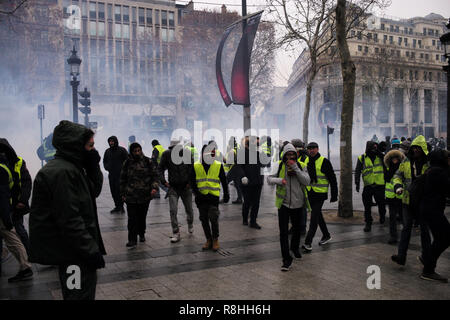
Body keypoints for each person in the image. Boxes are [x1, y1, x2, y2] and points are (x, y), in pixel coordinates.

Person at [29, 120, 105, 300]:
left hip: (76, 251)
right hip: (74, 254)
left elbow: (94, 190)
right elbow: (69, 220)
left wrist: (93, 166)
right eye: (90, 146)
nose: (93, 150)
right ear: (76, 146)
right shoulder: (61, 173)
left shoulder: (73, 168)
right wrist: (91, 251)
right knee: (77, 295)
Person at [268, 143, 310, 271]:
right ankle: (286, 259)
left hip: (298, 204)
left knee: (297, 230)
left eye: (292, 154)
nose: (290, 156)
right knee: (283, 233)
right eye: (288, 154)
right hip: (284, 204)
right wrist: (280, 181)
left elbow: (307, 181)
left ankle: (294, 248)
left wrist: (296, 169)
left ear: (296, 155)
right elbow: (269, 179)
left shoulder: (301, 166)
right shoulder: (279, 165)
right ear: (284, 155)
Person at [391, 135, 431, 266]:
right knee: (406, 229)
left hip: (423, 202)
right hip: (408, 201)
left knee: (424, 230)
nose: (415, 151)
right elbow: (397, 175)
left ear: (423, 149)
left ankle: (426, 257)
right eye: (414, 148)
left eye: (418, 148)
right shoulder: (406, 161)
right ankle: (401, 256)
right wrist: (397, 186)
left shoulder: (428, 163)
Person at [0, 147, 33, 283]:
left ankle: (27, 261)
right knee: (11, 236)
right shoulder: (4, 165)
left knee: (16, 233)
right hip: (8, 205)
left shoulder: (15, 163)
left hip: (13, 206)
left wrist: (23, 200)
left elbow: (26, 182)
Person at [191, 143, 229, 251]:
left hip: (213, 197)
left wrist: (226, 194)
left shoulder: (217, 164)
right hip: (201, 198)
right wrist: (197, 194)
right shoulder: (196, 165)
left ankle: (215, 239)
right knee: (203, 219)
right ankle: (208, 239)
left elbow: (224, 181)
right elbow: (192, 182)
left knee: (213, 218)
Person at [418, 149, 450, 283]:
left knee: (440, 238)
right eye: (448, 158)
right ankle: (428, 269)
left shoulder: (432, 170)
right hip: (432, 210)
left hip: (429, 209)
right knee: (446, 237)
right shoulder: (439, 172)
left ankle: (427, 259)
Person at [120, 142, 159, 248]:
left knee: (142, 217)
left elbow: (155, 176)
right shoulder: (127, 163)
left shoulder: (147, 161)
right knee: (132, 218)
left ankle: (141, 233)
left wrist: (154, 188)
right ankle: (132, 239)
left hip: (145, 195)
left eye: (139, 150)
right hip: (131, 196)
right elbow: (122, 179)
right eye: (135, 151)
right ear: (131, 152)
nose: (137, 153)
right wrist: (122, 193)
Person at [301, 142, 337, 252]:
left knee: (313, 218)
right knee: (317, 215)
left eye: (313, 148)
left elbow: (332, 179)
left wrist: (334, 195)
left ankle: (308, 242)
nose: (311, 150)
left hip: (320, 194)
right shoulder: (305, 161)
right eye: (309, 149)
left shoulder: (324, 161)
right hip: (310, 193)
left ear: (318, 149)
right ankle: (326, 235)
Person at [159, 139, 195, 243]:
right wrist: (163, 181)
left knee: (189, 210)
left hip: (186, 187)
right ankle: (176, 232)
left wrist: (190, 182)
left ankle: (190, 223)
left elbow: (192, 168)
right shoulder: (166, 155)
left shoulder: (186, 153)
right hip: (173, 187)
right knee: (173, 210)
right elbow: (160, 168)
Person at [235, 136, 266, 229]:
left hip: (257, 182)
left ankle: (253, 221)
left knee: (256, 203)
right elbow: (238, 166)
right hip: (247, 183)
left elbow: (264, 164)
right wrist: (243, 176)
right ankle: (245, 219)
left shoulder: (258, 153)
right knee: (247, 202)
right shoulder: (242, 153)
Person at [355, 141, 386, 232]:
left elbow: (386, 165)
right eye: (372, 148)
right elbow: (357, 171)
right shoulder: (362, 158)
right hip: (368, 185)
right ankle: (368, 223)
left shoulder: (380, 157)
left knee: (381, 204)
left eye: (375, 148)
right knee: (367, 206)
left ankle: (382, 216)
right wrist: (357, 182)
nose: (374, 150)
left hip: (379, 185)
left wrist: (380, 154)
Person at [383, 149, 405, 244]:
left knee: (403, 216)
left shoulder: (403, 168)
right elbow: (386, 179)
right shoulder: (388, 169)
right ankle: (393, 236)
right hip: (391, 196)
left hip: (401, 196)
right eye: (393, 158)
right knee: (392, 217)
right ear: (390, 159)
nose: (395, 160)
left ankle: (405, 235)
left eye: (396, 158)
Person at [103, 136, 128, 214]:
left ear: (116, 141)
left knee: (120, 191)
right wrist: (107, 167)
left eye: (112, 141)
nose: (111, 143)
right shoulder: (107, 151)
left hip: (120, 175)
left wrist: (124, 170)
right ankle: (117, 206)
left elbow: (127, 160)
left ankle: (121, 206)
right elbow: (105, 161)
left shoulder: (122, 150)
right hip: (111, 175)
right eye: (110, 141)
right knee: (113, 191)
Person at [291, 138, 308, 235]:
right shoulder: (297, 156)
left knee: (302, 209)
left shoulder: (304, 158)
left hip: (303, 187)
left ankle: (302, 227)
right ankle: (295, 226)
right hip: (295, 186)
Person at [224, 136, 242, 204]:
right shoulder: (238, 147)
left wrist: (224, 160)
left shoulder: (232, 151)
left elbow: (229, 162)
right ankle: (240, 199)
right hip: (238, 168)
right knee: (237, 184)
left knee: (225, 183)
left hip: (233, 168)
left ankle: (225, 198)